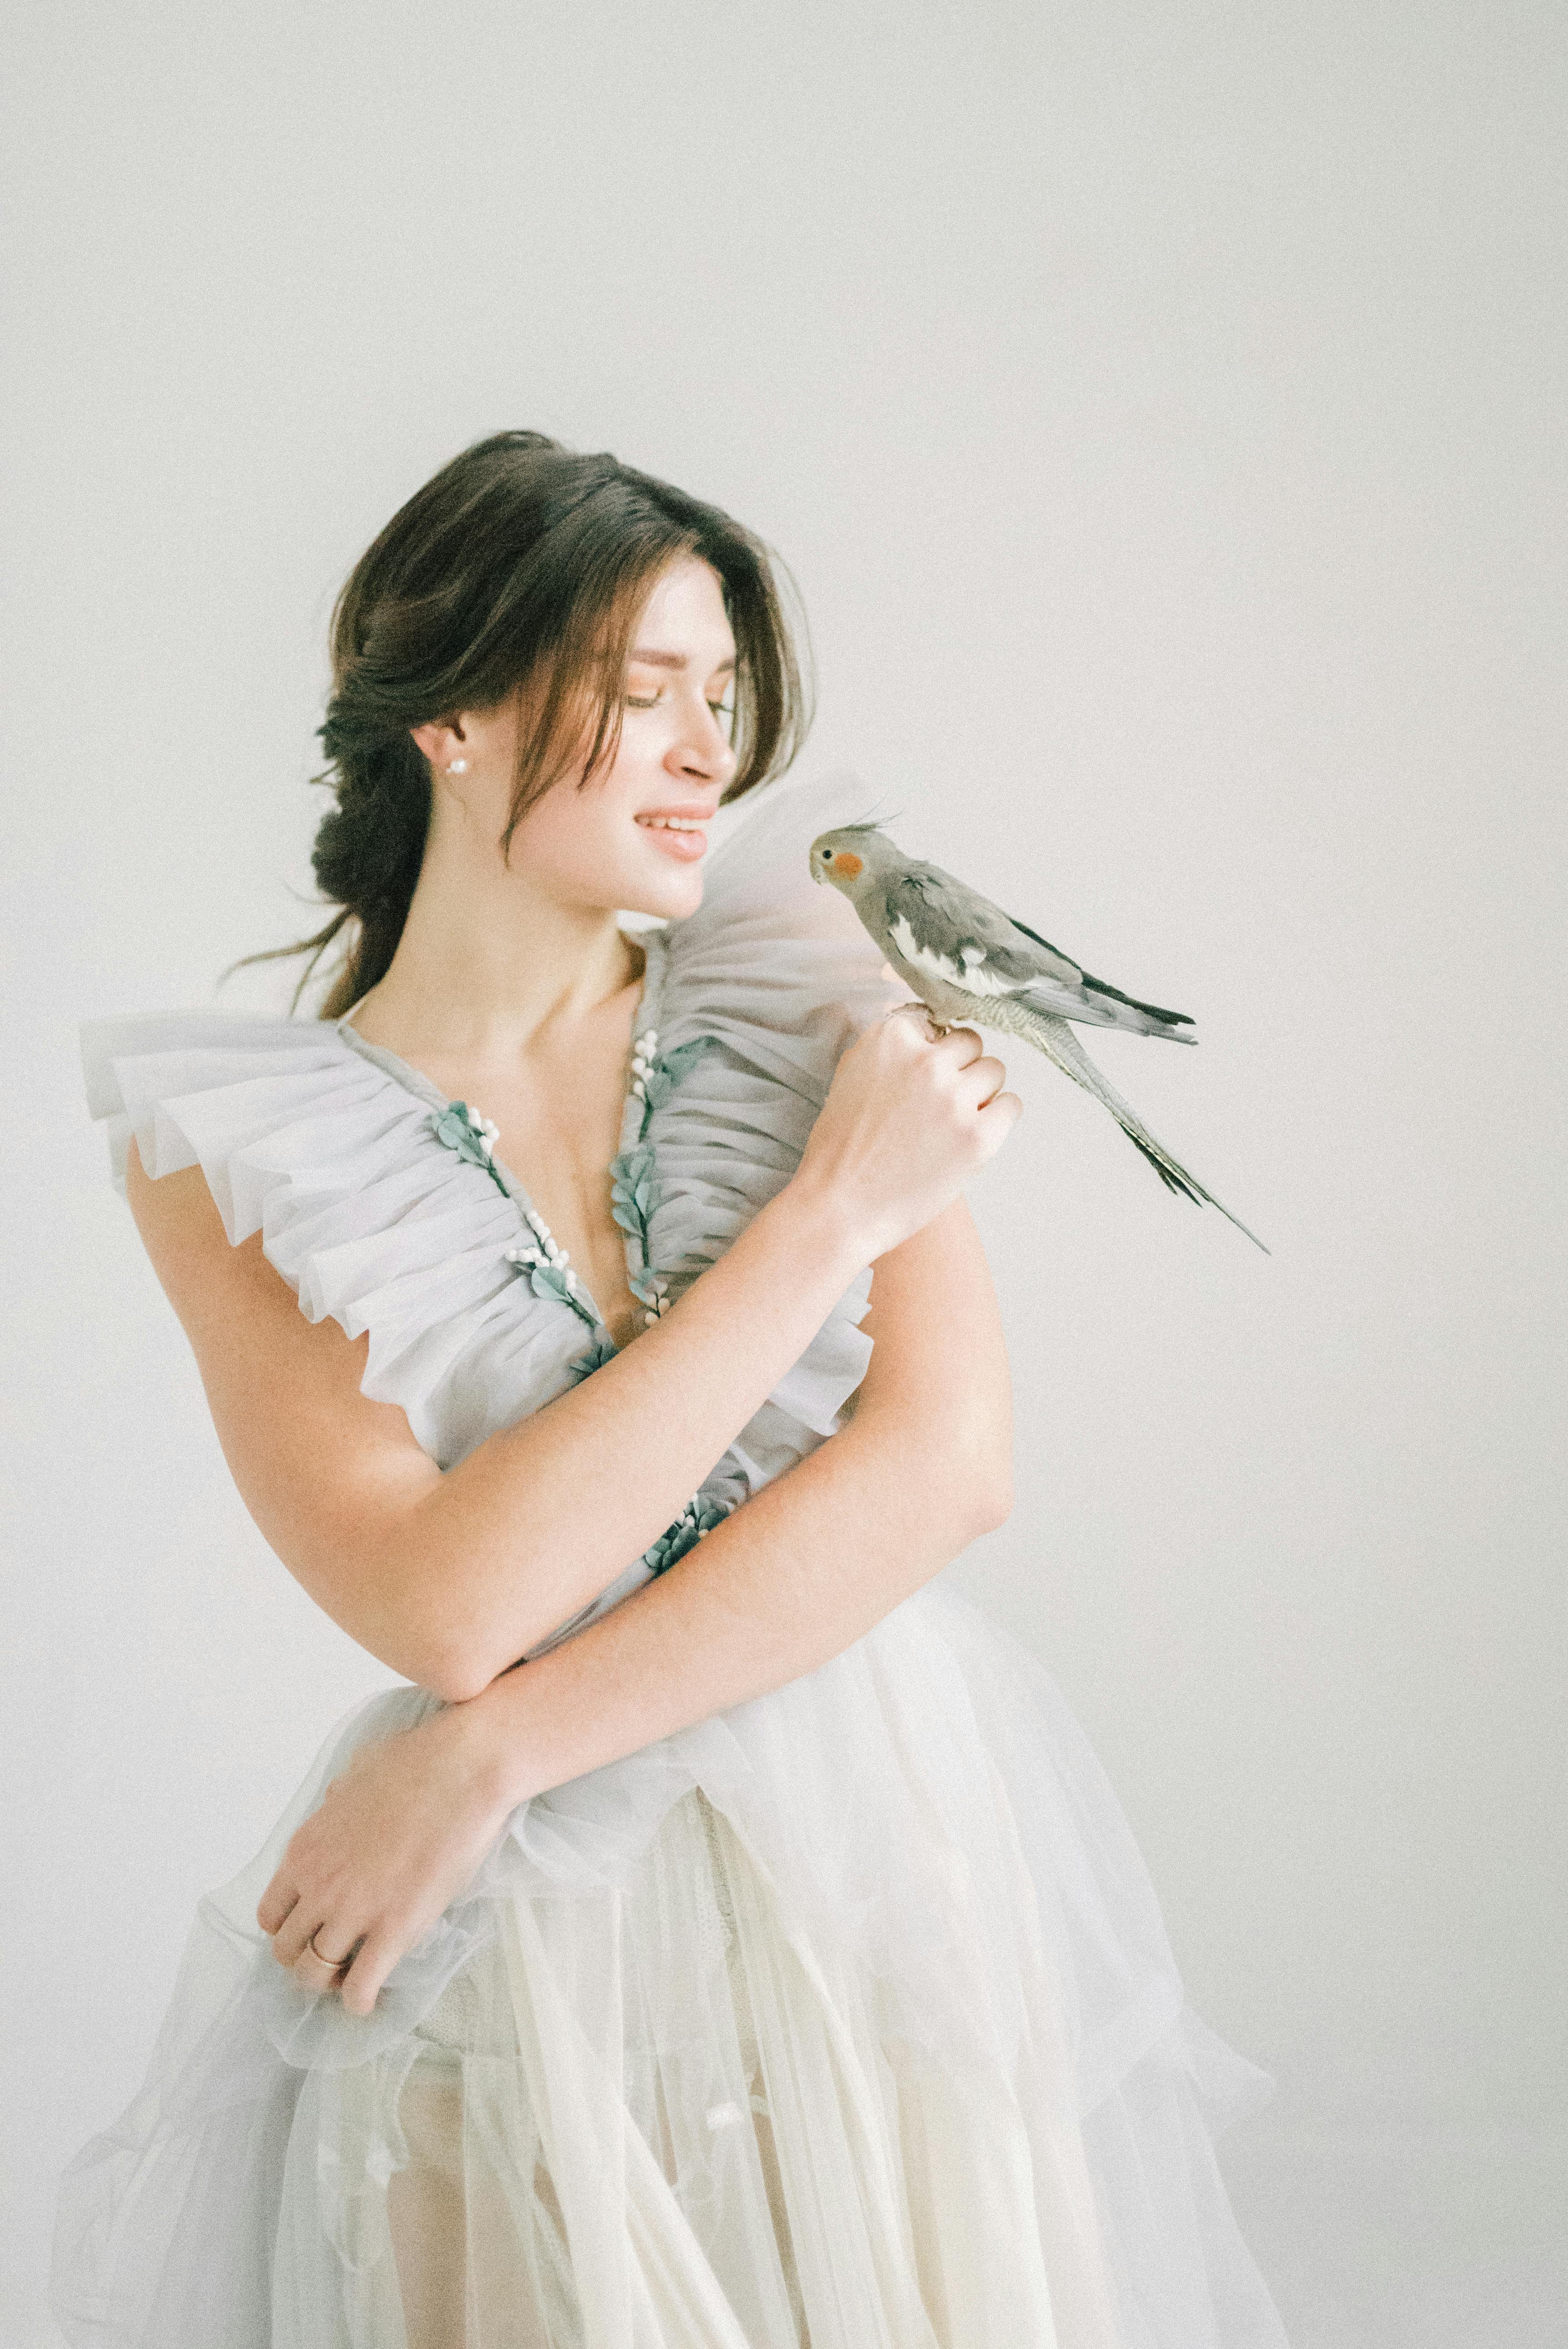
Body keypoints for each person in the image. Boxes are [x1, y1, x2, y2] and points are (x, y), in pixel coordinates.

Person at [54, 431, 1288, 2347]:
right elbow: (447, 1599)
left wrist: (489, 1755)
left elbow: (946, 1466)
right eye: (640, 696)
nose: (706, 749)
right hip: (516, 1932)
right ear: (449, 719)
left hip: (870, 1851)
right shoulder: (244, 1147)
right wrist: (821, 1222)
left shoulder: (808, 989)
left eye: (722, 698)